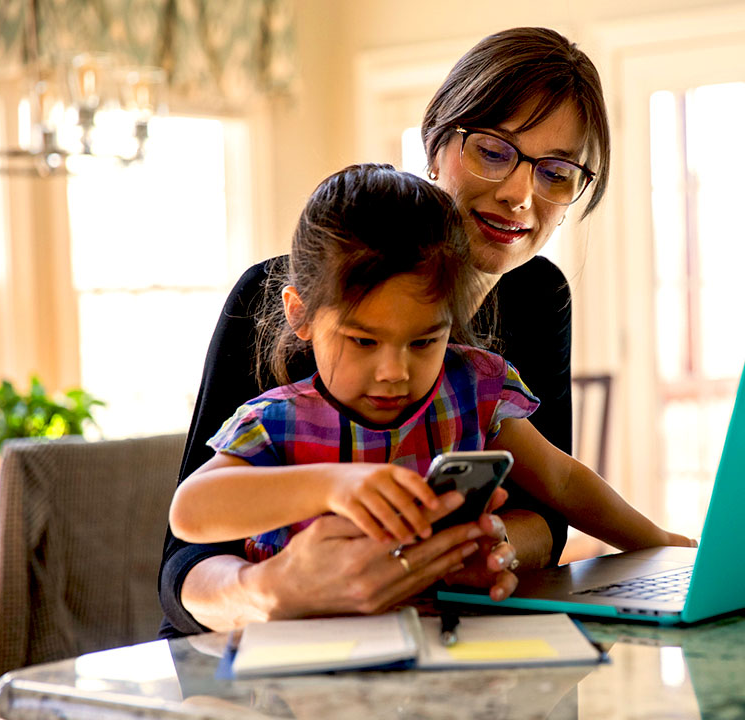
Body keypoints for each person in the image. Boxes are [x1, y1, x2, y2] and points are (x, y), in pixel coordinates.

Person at [158, 27, 613, 636]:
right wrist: (273, 590)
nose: (518, 194)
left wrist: (476, 548)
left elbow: (548, 504)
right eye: (493, 150)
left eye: (556, 172)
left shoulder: (537, 298)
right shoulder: (288, 297)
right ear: (436, 143)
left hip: (441, 641)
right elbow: (182, 562)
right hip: (260, 654)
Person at [167, 164, 693, 578]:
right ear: (300, 315)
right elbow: (190, 510)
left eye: (425, 341)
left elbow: (562, 480)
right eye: (362, 340)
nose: (394, 371)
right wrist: (333, 486)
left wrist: (660, 547)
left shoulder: (474, 388)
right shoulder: (277, 421)